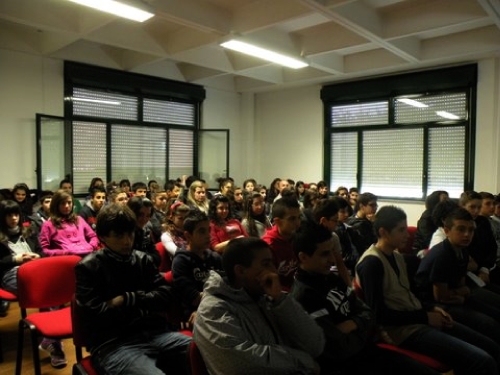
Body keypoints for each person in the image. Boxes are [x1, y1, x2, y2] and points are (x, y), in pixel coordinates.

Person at [356, 205, 500, 375]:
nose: (407, 234)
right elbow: (378, 315)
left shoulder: (397, 257)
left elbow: (409, 296)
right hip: (402, 332)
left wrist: (432, 308)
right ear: (383, 232)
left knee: (490, 346)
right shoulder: (371, 264)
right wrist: (425, 316)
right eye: (401, 230)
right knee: (483, 361)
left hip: (418, 318)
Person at [291, 221, 440, 375]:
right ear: (303, 257)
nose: (333, 260)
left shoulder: (331, 278)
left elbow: (369, 313)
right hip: (348, 364)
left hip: (368, 351)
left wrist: (354, 323)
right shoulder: (304, 297)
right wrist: (362, 325)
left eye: (332, 252)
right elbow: (339, 347)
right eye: (324, 254)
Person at [75, 203, 192, 375]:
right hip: (114, 344)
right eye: (119, 235)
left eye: (130, 233)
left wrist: (127, 299)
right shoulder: (88, 267)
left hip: (155, 334)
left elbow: (166, 297)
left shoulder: (142, 260)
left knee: (207, 353)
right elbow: (94, 316)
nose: (127, 241)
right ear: (103, 237)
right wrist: (145, 302)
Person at [194, 237, 325, 375]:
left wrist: (281, 301)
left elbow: (315, 345)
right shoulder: (212, 310)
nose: (274, 270)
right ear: (240, 271)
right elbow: (238, 365)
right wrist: (302, 361)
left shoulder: (267, 297)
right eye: (266, 264)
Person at [415, 207, 500, 344]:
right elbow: (440, 296)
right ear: (447, 231)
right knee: (489, 325)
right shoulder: (442, 254)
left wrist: (462, 292)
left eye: (471, 230)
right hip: (434, 304)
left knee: (496, 314)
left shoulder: (462, 249)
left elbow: (461, 284)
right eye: (461, 229)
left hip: (455, 296)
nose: (467, 234)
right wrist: (462, 292)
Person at [0, 200, 67, 367]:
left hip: (34, 270)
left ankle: (50, 340)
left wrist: (37, 256)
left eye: (16, 214)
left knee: (53, 289)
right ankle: (53, 342)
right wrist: (16, 259)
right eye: (9, 215)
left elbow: (40, 251)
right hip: (11, 274)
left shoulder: (29, 231)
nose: (14, 218)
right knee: (48, 291)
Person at [171, 211, 222, 324]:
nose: (208, 235)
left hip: (219, 308)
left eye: (208, 230)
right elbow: (194, 298)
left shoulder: (214, 257)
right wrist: (220, 295)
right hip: (195, 314)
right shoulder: (181, 261)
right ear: (188, 236)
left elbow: (228, 287)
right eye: (202, 231)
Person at [304, 198, 351, 285]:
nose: (337, 224)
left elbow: (340, 264)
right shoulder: (307, 238)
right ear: (324, 221)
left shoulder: (333, 237)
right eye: (335, 220)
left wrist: (349, 287)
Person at [39, 190, 99, 257]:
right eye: (63, 203)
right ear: (56, 205)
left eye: (69, 202)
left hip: (87, 255)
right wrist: (65, 252)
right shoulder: (48, 224)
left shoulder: (79, 219)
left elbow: (93, 236)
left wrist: (91, 246)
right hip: (66, 259)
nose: (67, 206)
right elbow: (44, 250)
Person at [262, 197, 301, 290]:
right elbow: (270, 283)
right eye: (292, 219)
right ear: (277, 221)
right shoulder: (268, 246)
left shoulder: (297, 235)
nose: (298, 223)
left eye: (299, 217)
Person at [127, 196, 160, 267]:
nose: (144, 219)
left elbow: (157, 258)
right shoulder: (124, 233)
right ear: (131, 212)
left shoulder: (146, 230)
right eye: (140, 215)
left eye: (148, 215)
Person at [347, 192, 378, 256]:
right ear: (361, 206)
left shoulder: (367, 220)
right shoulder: (359, 224)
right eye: (372, 205)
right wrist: (374, 224)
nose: (375, 208)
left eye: (376, 205)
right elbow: (374, 242)